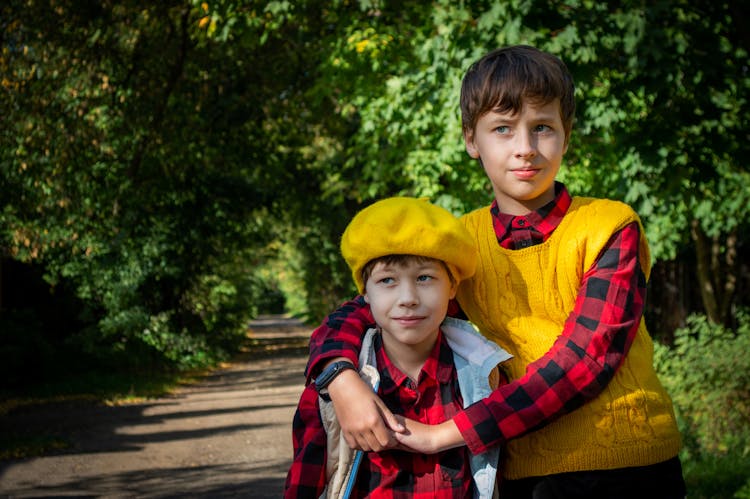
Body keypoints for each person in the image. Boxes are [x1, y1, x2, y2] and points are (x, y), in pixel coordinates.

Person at [303, 45, 687, 498]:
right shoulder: (459, 242)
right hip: (515, 471)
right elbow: (371, 307)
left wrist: (442, 434)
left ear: (567, 135)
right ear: (471, 140)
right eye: (502, 129)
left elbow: (585, 362)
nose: (525, 149)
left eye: (542, 128)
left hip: (629, 467)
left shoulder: (608, 226)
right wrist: (340, 378)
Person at [284, 196, 512, 498]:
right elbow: (303, 486)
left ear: (453, 286)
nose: (408, 298)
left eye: (425, 278)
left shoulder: (486, 378)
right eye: (388, 280)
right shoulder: (330, 395)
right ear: (365, 292)